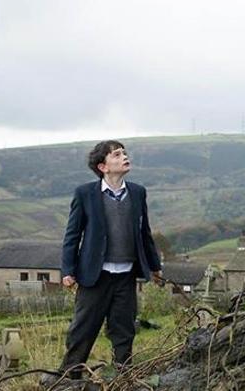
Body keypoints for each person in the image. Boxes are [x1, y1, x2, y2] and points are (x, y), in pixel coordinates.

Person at [55, 140, 163, 380]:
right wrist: (67, 270)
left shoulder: (137, 192)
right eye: (117, 154)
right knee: (83, 330)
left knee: (123, 330)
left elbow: (144, 232)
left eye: (124, 152)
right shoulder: (85, 194)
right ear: (103, 166)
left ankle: (123, 379)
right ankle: (68, 378)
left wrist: (155, 267)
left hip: (126, 275)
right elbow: (72, 235)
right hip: (95, 276)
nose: (124, 156)